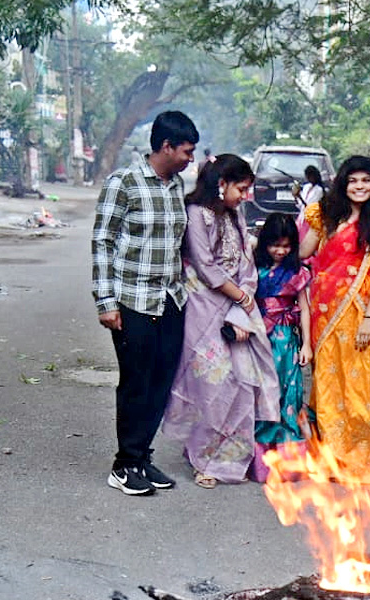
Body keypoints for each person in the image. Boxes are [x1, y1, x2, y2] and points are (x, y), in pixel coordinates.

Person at [92, 109, 198, 496]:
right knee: (136, 382)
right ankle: (123, 464)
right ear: (165, 146)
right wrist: (106, 301)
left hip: (171, 298)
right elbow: (103, 241)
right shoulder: (125, 182)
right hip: (133, 299)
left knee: (160, 383)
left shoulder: (175, 186)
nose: (191, 158)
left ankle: (141, 458)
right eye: (186, 151)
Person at [162, 154, 279, 487]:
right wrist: (240, 298)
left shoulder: (235, 214)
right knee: (213, 385)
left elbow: (245, 262)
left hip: (237, 308)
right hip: (203, 309)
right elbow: (205, 266)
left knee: (242, 384)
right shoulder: (198, 214)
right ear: (222, 184)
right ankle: (204, 460)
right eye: (241, 189)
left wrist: (243, 305)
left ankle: (230, 460)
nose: (245, 196)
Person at [299, 156, 370, 483]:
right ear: (343, 184)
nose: (360, 187)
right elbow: (303, 254)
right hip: (324, 314)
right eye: (353, 181)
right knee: (328, 384)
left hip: (362, 314)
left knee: (361, 384)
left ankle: (363, 457)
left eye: (366, 181)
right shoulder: (325, 217)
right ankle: (331, 459)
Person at [251, 212, 312, 478]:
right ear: (265, 243)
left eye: (286, 246)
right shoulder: (253, 269)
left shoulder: (297, 272)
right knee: (263, 394)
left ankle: (289, 461)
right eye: (275, 245)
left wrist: (307, 344)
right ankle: (261, 463)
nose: (280, 251)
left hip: (287, 339)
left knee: (291, 394)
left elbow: (305, 308)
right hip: (260, 338)